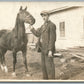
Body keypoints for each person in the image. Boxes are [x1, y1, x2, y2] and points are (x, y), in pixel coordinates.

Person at [29, 11, 56, 79]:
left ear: (48, 16)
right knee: (44, 67)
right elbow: (38, 34)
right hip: (42, 49)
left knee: (49, 67)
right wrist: (32, 28)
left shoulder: (52, 25)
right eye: (42, 16)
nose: (44, 18)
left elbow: (52, 39)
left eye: (45, 16)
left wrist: (50, 50)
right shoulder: (43, 26)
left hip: (48, 50)